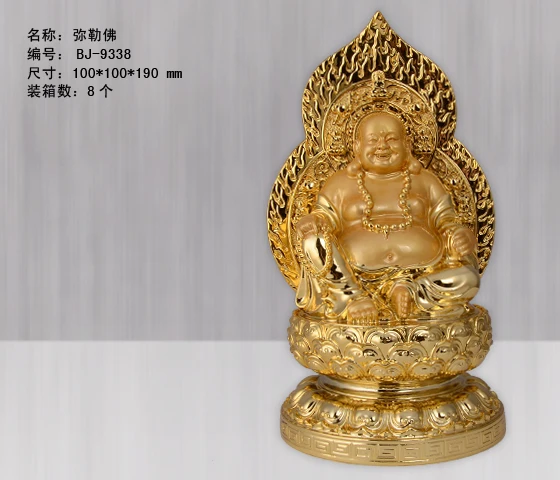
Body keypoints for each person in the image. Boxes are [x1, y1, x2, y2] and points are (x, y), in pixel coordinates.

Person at [294, 112, 479, 324]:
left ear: (407, 145)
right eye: (373, 140)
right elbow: (324, 217)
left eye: (391, 139)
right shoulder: (339, 184)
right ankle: (351, 299)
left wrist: (460, 235)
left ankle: (412, 292)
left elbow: (446, 220)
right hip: (353, 277)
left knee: (469, 279)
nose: (382, 146)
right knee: (312, 241)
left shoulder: (426, 181)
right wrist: (313, 221)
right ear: (357, 147)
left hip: (422, 273)